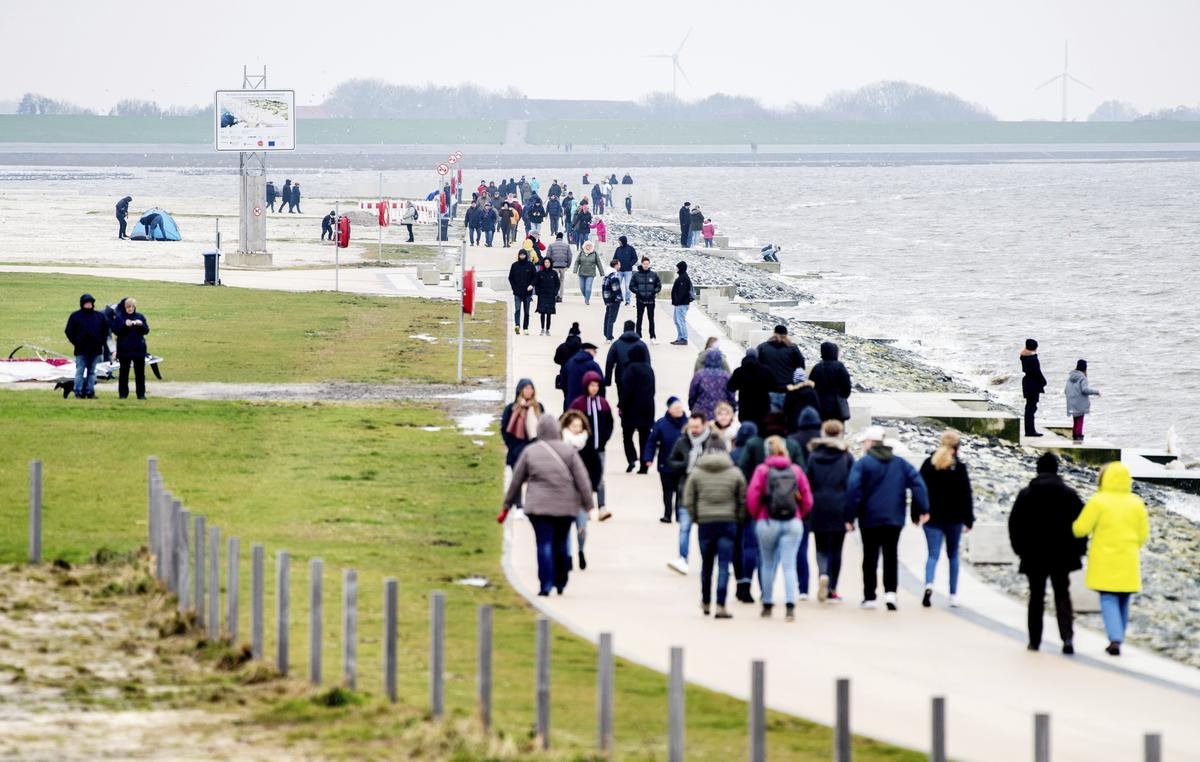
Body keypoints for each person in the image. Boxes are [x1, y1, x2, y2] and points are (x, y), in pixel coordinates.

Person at [501, 413, 594, 597]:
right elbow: (583, 480)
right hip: (565, 508)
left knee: (543, 544)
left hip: (538, 508)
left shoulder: (530, 451)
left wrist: (507, 505)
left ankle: (545, 584)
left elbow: (516, 481)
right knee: (561, 542)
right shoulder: (569, 451)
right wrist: (589, 505)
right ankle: (561, 581)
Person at [845, 426, 930, 611]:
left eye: (864, 442)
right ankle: (891, 593)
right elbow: (918, 484)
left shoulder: (863, 464)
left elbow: (853, 490)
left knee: (870, 556)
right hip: (894, 517)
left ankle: (870, 596)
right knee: (891, 555)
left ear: (870, 443)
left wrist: (849, 516)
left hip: (869, 518)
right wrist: (922, 508)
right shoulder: (900, 463)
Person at [1008, 453, 1086, 653]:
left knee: (1036, 596)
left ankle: (1034, 641)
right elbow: (1082, 524)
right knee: (1062, 594)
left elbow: (1014, 524)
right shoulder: (1069, 494)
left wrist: (1019, 549)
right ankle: (1067, 638)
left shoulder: (1026, 494)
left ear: (1038, 469)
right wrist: (1079, 550)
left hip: (1033, 554)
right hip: (1062, 554)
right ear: (1056, 469)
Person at [1072, 462, 1149, 656]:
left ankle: (1115, 638)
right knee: (1124, 598)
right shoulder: (1136, 503)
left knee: (1108, 597)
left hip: (1104, 559)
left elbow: (1081, 529)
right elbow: (1143, 535)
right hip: (1128, 558)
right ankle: (1118, 637)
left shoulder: (1098, 501)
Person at [746, 435, 814, 620]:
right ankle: (790, 606)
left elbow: (752, 496)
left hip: (767, 520)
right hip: (793, 521)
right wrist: (800, 514)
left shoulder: (762, 470)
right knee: (789, 565)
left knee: (767, 563)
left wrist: (757, 515)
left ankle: (767, 603)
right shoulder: (796, 470)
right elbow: (807, 498)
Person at [685, 436, 748, 619]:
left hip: (705, 522)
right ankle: (721, 605)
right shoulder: (735, 472)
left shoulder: (697, 472)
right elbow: (742, 499)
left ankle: (706, 601)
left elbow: (688, 500)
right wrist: (738, 518)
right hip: (728, 522)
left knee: (706, 565)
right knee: (723, 565)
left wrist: (696, 517)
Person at [918, 430, 975, 608]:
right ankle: (953, 595)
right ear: (956, 448)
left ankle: (929, 584)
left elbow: (919, 490)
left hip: (932, 517)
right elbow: (966, 495)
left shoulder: (929, 464)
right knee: (953, 556)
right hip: (954, 518)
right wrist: (969, 519)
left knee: (933, 554)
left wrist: (917, 513)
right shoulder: (959, 467)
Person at [806, 420, 854, 603]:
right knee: (837, 549)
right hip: (840, 505)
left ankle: (823, 574)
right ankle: (833, 589)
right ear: (840, 433)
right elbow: (853, 485)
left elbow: (807, 482)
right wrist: (852, 514)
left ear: (823, 433)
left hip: (818, 505)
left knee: (821, 547)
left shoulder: (813, 456)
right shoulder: (846, 457)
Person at [667, 413, 711, 574]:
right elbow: (671, 461)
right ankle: (682, 559)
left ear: (704, 425)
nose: (694, 430)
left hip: (706, 493)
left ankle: (708, 562)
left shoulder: (711, 442)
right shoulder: (682, 441)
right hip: (686, 490)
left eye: (697, 427)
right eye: (691, 426)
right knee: (684, 528)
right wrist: (685, 464)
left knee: (706, 532)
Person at [569, 371, 615, 524]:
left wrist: (604, 439)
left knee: (600, 477)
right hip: (583, 450)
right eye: (592, 385)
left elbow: (610, 423)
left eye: (596, 385)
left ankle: (602, 507)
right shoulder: (579, 404)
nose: (594, 388)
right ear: (586, 386)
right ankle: (586, 507)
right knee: (583, 477)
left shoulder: (603, 404)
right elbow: (570, 421)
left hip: (599, 448)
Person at [559, 411, 600, 571]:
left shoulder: (588, 445)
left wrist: (593, 487)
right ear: (567, 426)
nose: (577, 429)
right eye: (574, 426)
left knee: (581, 528)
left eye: (579, 426)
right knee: (565, 529)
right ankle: (568, 556)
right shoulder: (561, 444)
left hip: (582, 495)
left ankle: (581, 551)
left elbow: (597, 468)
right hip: (565, 495)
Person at [730, 422, 760, 602]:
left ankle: (739, 582)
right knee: (750, 546)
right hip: (754, 505)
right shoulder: (759, 455)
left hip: (734, 506)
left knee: (736, 546)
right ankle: (747, 583)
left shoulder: (732, 455)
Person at [646, 397, 688, 523]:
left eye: (680, 408)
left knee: (681, 491)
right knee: (667, 490)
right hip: (665, 463)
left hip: (682, 464)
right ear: (669, 410)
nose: (679, 410)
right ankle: (667, 514)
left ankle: (679, 515)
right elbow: (651, 442)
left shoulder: (688, 423)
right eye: (676, 408)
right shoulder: (661, 423)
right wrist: (648, 458)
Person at [64, 293, 109, 399]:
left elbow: (105, 331)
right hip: (81, 350)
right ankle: (78, 392)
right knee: (80, 372)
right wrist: (76, 342)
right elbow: (69, 331)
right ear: (82, 304)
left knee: (92, 372)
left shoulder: (99, 316)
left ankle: (90, 392)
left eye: (90, 303)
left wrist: (101, 342)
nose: (88, 304)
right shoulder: (75, 316)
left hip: (95, 350)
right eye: (86, 303)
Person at [619, 345, 656, 474]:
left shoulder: (630, 369)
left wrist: (621, 406)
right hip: (647, 408)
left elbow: (626, 390)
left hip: (631, 408)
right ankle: (644, 466)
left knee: (627, 435)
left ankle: (631, 458)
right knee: (644, 438)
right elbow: (653, 390)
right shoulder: (649, 369)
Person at [757, 325, 805, 411]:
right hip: (787, 389)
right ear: (786, 335)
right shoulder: (793, 348)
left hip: (767, 389)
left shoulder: (762, 347)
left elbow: (756, 366)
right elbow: (801, 366)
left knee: (769, 417)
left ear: (774, 333)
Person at [112, 297, 150, 400]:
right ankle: (123, 394)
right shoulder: (120, 317)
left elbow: (146, 331)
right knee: (124, 373)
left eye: (132, 307)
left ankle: (141, 394)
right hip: (124, 350)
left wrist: (140, 325)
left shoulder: (140, 316)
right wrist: (125, 325)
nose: (130, 309)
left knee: (140, 373)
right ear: (125, 307)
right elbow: (115, 330)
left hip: (138, 349)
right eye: (128, 307)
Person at [726, 348, 773, 429]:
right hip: (762, 408)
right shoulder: (766, 371)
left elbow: (731, 387)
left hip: (745, 408)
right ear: (757, 356)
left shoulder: (739, 371)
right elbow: (773, 386)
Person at [808, 341, 852, 423]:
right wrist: (843, 396)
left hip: (821, 404)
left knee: (822, 427)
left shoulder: (817, 367)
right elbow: (847, 385)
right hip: (837, 405)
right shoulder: (839, 367)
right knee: (837, 427)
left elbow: (810, 386)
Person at [605, 319, 649, 397]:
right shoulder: (642, 345)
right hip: (637, 378)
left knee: (622, 400)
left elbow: (609, 362)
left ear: (624, 329)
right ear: (634, 329)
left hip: (621, 377)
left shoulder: (617, 344)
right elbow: (647, 363)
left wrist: (608, 380)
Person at [689, 349, 735, 420]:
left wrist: (692, 407)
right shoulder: (726, 376)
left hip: (701, 412)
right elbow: (731, 395)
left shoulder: (699, 375)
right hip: (720, 413)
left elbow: (692, 393)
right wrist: (733, 408)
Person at [1064, 360, 1100, 443]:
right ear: (1085, 368)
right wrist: (1096, 392)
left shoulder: (1070, 377)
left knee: (1075, 420)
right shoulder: (1083, 377)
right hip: (1080, 403)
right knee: (1080, 419)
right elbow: (1085, 390)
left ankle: (1074, 436)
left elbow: (1065, 390)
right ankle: (1078, 437)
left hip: (1071, 402)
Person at [631, 256, 662, 343]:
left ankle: (652, 337)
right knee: (639, 318)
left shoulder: (654, 274)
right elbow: (631, 286)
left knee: (651, 319)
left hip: (651, 300)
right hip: (640, 300)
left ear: (649, 264)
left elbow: (659, 285)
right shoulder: (636, 275)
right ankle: (638, 336)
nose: (646, 265)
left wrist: (654, 291)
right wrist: (638, 292)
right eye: (644, 264)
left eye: (647, 264)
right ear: (641, 264)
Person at [1021, 338, 1048, 437]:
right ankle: (1030, 431)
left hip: (1027, 383)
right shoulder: (1032, 359)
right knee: (1031, 408)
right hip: (1033, 384)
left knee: (1029, 407)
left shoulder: (1024, 356)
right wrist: (1044, 381)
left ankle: (1029, 430)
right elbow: (1037, 372)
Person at [508, 247, 537, 335]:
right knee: (517, 310)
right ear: (518, 256)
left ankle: (525, 328)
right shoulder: (514, 265)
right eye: (520, 255)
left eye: (523, 255)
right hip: (517, 292)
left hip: (527, 293)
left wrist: (531, 285)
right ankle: (517, 325)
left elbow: (535, 277)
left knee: (526, 311)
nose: (522, 256)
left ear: (526, 255)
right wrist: (514, 288)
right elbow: (510, 278)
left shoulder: (530, 265)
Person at [553, 324, 583, 410]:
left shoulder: (562, 347)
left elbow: (556, 360)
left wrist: (564, 363)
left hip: (565, 376)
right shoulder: (582, 349)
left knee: (567, 397)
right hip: (579, 377)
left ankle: (567, 414)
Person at [564, 342, 603, 406]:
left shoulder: (569, 363)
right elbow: (600, 383)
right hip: (589, 402)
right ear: (588, 351)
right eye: (594, 351)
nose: (595, 353)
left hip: (572, 400)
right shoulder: (593, 365)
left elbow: (564, 381)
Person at [533, 258, 560, 335]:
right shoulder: (540, 273)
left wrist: (555, 292)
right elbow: (536, 283)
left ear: (550, 263)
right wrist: (537, 292)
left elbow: (557, 284)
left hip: (551, 295)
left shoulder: (554, 273)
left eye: (548, 262)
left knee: (549, 313)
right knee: (542, 312)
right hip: (542, 295)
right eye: (545, 262)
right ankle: (542, 329)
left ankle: (548, 329)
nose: (547, 264)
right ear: (543, 263)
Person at [670, 261, 694, 346]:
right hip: (679, 303)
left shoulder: (683, 278)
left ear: (681, 268)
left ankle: (684, 338)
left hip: (682, 304)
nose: (676, 268)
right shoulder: (682, 276)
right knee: (677, 320)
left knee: (680, 321)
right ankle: (680, 337)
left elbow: (682, 292)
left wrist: (677, 301)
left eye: (677, 267)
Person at [600, 259, 624, 341]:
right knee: (612, 319)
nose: (620, 266)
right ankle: (609, 337)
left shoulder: (607, 275)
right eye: (619, 265)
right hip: (614, 300)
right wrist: (619, 298)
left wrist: (606, 299)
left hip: (608, 299)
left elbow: (603, 288)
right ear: (616, 265)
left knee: (607, 317)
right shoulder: (614, 276)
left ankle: (606, 335)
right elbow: (616, 288)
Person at [574, 240, 603, 305]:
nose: (589, 247)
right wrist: (575, 270)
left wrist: (602, 272)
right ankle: (586, 297)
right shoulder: (581, 253)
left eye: (590, 245)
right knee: (582, 288)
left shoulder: (594, 253)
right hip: (581, 273)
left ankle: (587, 300)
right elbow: (577, 261)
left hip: (591, 274)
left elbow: (599, 263)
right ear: (585, 246)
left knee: (588, 288)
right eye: (587, 245)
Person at [546, 233, 573, 302]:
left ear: (556, 237)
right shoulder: (567, 245)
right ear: (562, 238)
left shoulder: (551, 245)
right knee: (561, 281)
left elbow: (548, 256)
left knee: (554, 281)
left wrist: (549, 266)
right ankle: (560, 297)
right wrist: (568, 265)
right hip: (563, 266)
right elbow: (570, 256)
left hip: (554, 266)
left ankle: (555, 295)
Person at [614, 236, 639, 305]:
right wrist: (616, 266)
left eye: (619, 241)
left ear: (623, 241)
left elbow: (635, 258)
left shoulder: (631, 249)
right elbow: (614, 258)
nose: (619, 242)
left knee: (627, 287)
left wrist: (630, 264)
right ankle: (618, 299)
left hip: (628, 271)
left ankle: (627, 301)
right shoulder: (618, 249)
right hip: (619, 271)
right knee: (617, 286)